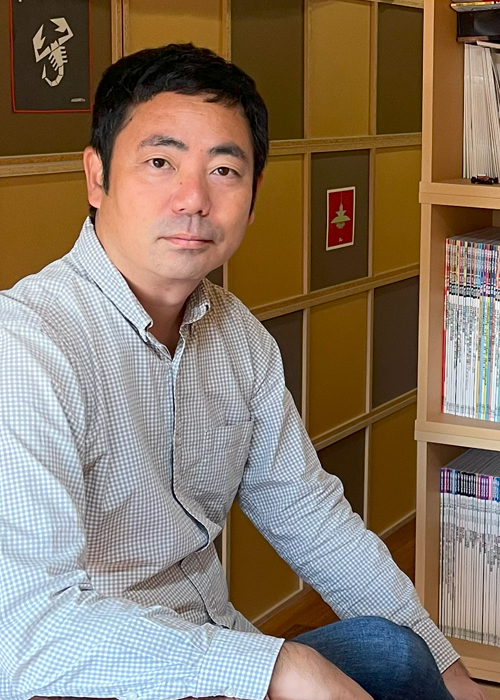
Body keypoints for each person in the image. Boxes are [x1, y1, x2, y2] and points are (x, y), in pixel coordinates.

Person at [0, 43, 486, 700]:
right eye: (160, 162)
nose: (193, 199)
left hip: (215, 650)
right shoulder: (27, 346)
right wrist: (283, 667)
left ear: (253, 199)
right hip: (94, 679)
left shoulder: (237, 337)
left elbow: (308, 515)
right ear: (96, 176)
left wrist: (454, 677)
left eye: (224, 170)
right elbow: (29, 631)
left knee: (395, 650)